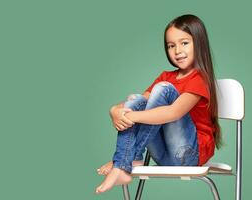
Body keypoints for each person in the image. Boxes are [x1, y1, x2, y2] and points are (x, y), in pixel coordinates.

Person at [95, 14, 222, 194]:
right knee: (135, 100)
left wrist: (130, 116)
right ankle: (128, 160)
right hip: (162, 156)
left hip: (188, 155)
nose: (177, 50)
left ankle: (123, 162)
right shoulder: (166, 75)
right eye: (171, 45)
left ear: (199, 43)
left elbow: (173, 113)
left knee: (163, 89)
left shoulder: (200, 79)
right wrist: (114, 111)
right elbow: (138, 103)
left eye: (184, 43)